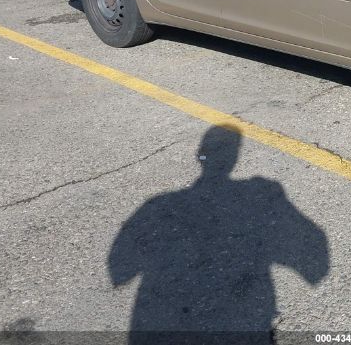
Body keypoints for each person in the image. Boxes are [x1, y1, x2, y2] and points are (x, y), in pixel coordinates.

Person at [109, 127, 330, 344]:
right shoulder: (260, 192)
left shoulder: (158, 205)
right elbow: (316, 252)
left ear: (199, 156)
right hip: (244, 322)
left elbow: (119, 268)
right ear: (235, 157)